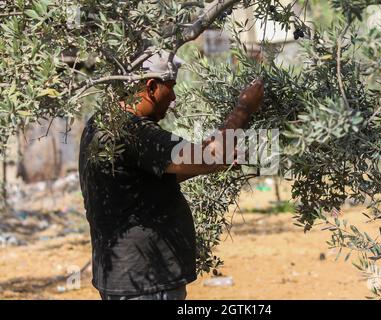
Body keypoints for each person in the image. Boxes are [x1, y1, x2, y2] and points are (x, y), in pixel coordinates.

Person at [78, 50, 264, 300]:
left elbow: (146, 180)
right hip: (146, 283)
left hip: (126, 278)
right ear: (151, 87)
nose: (173, 98)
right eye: (171, 87)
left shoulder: (101, 123)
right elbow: (210, 155)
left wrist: (214, 162)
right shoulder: (134, 132)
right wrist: (244, 108)